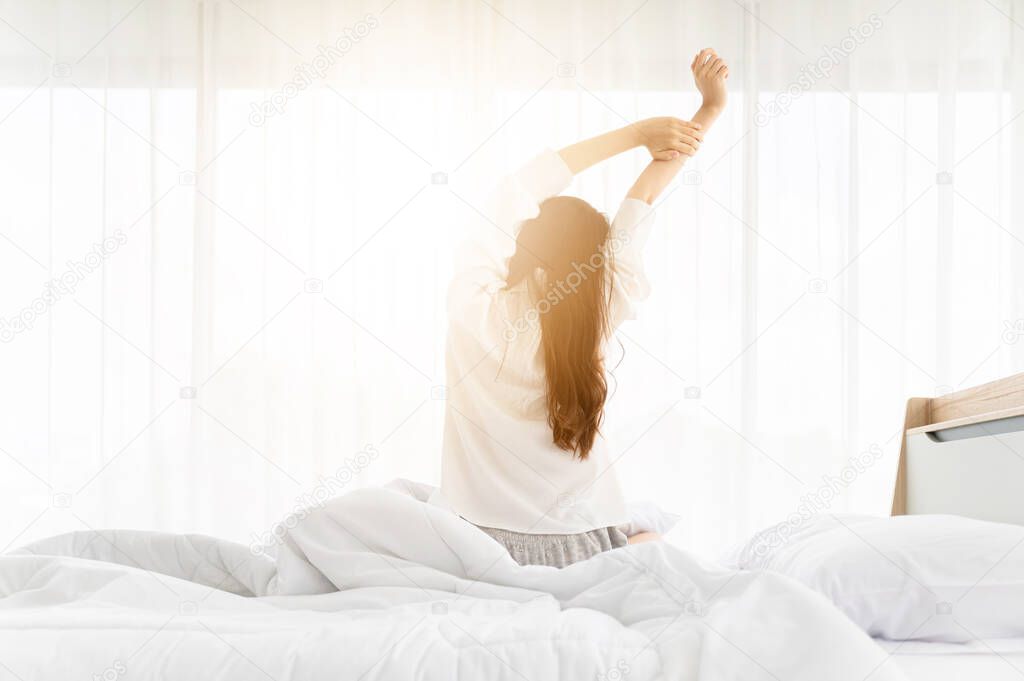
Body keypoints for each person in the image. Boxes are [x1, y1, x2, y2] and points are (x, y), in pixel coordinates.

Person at [437, 49, 730, 567]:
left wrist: (636, 133)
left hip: (476, 550)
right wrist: (710, 109)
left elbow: (513, 192)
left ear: (522, 242)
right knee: (647, 538)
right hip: (584, 548)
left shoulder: (473, 305)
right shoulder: (603, 304)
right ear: (594, 261)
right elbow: (644, 197)